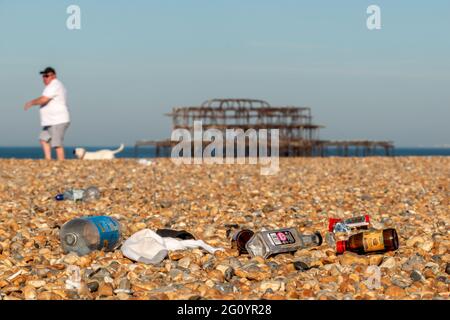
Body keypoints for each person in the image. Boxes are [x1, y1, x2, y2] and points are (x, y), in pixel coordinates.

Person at [24, 67, 71, 160]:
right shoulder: (51, 86)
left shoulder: (54, 85)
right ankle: (48, 160)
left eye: (47, 76)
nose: (45, 78)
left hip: (58, 120)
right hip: (50, 121)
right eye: (43, 76)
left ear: (54, 76)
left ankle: (62, 164)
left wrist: (31, 102)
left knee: (57, 144)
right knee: (43, 139)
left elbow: (43, 99)